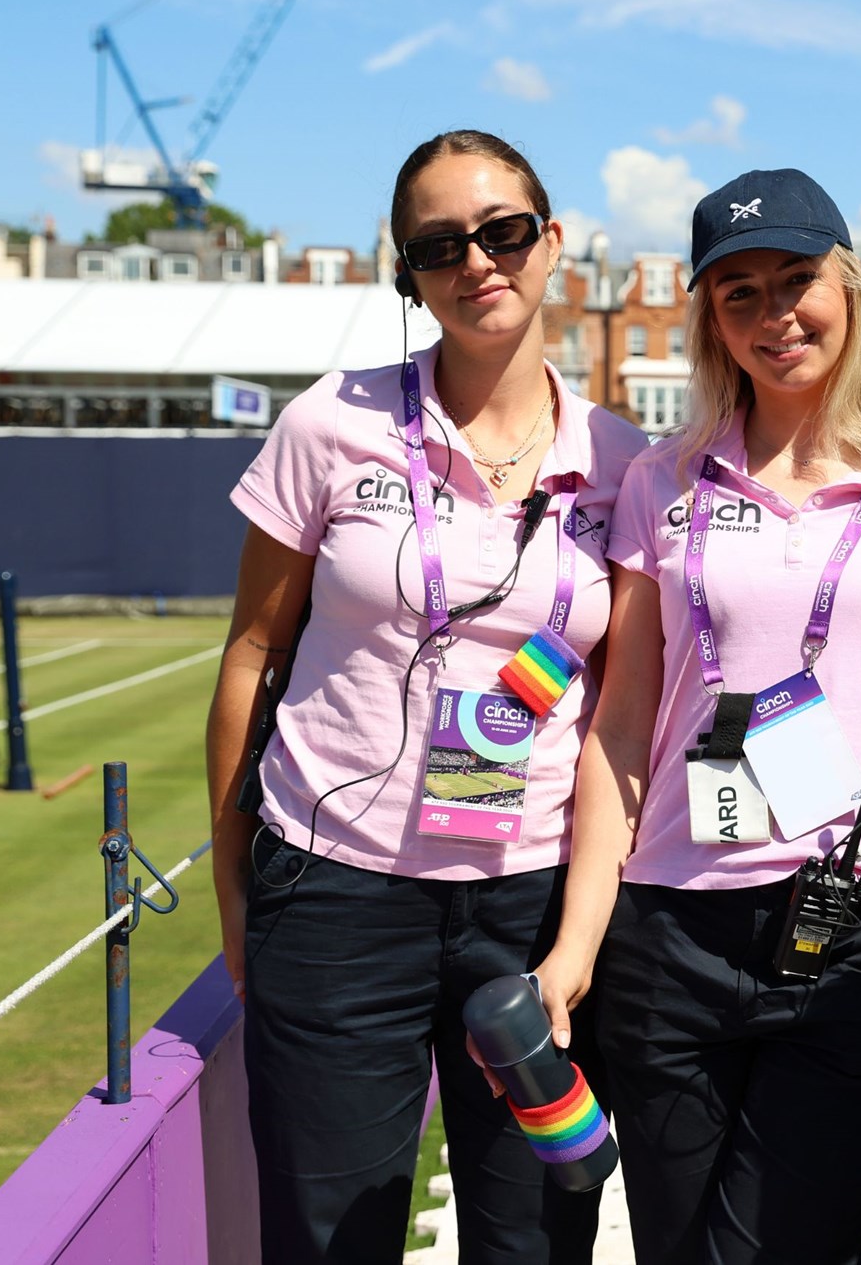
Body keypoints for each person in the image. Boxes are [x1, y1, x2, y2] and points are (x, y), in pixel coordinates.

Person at [205, 129, 649, 1265]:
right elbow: (252, 650)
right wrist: (238, 891)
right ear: (405, 270)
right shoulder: (328, 424)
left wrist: (578, 942)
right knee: (325, 1238)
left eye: (502, 232)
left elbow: (619, 724)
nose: (477, 262)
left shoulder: (624, 461)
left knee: (534, 1237)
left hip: (528, 907)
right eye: (439, 244)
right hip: (336, 891)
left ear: (551, 243)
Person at [531, 168, 861, 1265]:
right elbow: (623, 724)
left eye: (795, 281)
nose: (774, 314)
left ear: (850, 287)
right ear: (709, 320)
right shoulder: (660, 482)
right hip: (669, 939)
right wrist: (575, 946)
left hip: (855, 942)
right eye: (738, 293)